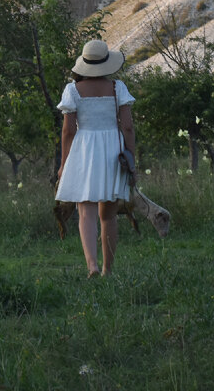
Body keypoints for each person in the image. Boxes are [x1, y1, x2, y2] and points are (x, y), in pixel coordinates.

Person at [55, 38, 137, 277]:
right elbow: (128, 127)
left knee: (86, 212)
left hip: (84, 149)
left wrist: (63, 165)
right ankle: (107, 270)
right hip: (113, 147)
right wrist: (130, 155)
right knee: (108, 215)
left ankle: (91, 265)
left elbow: (68, 131)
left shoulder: (72, 90)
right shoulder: (117, 88)